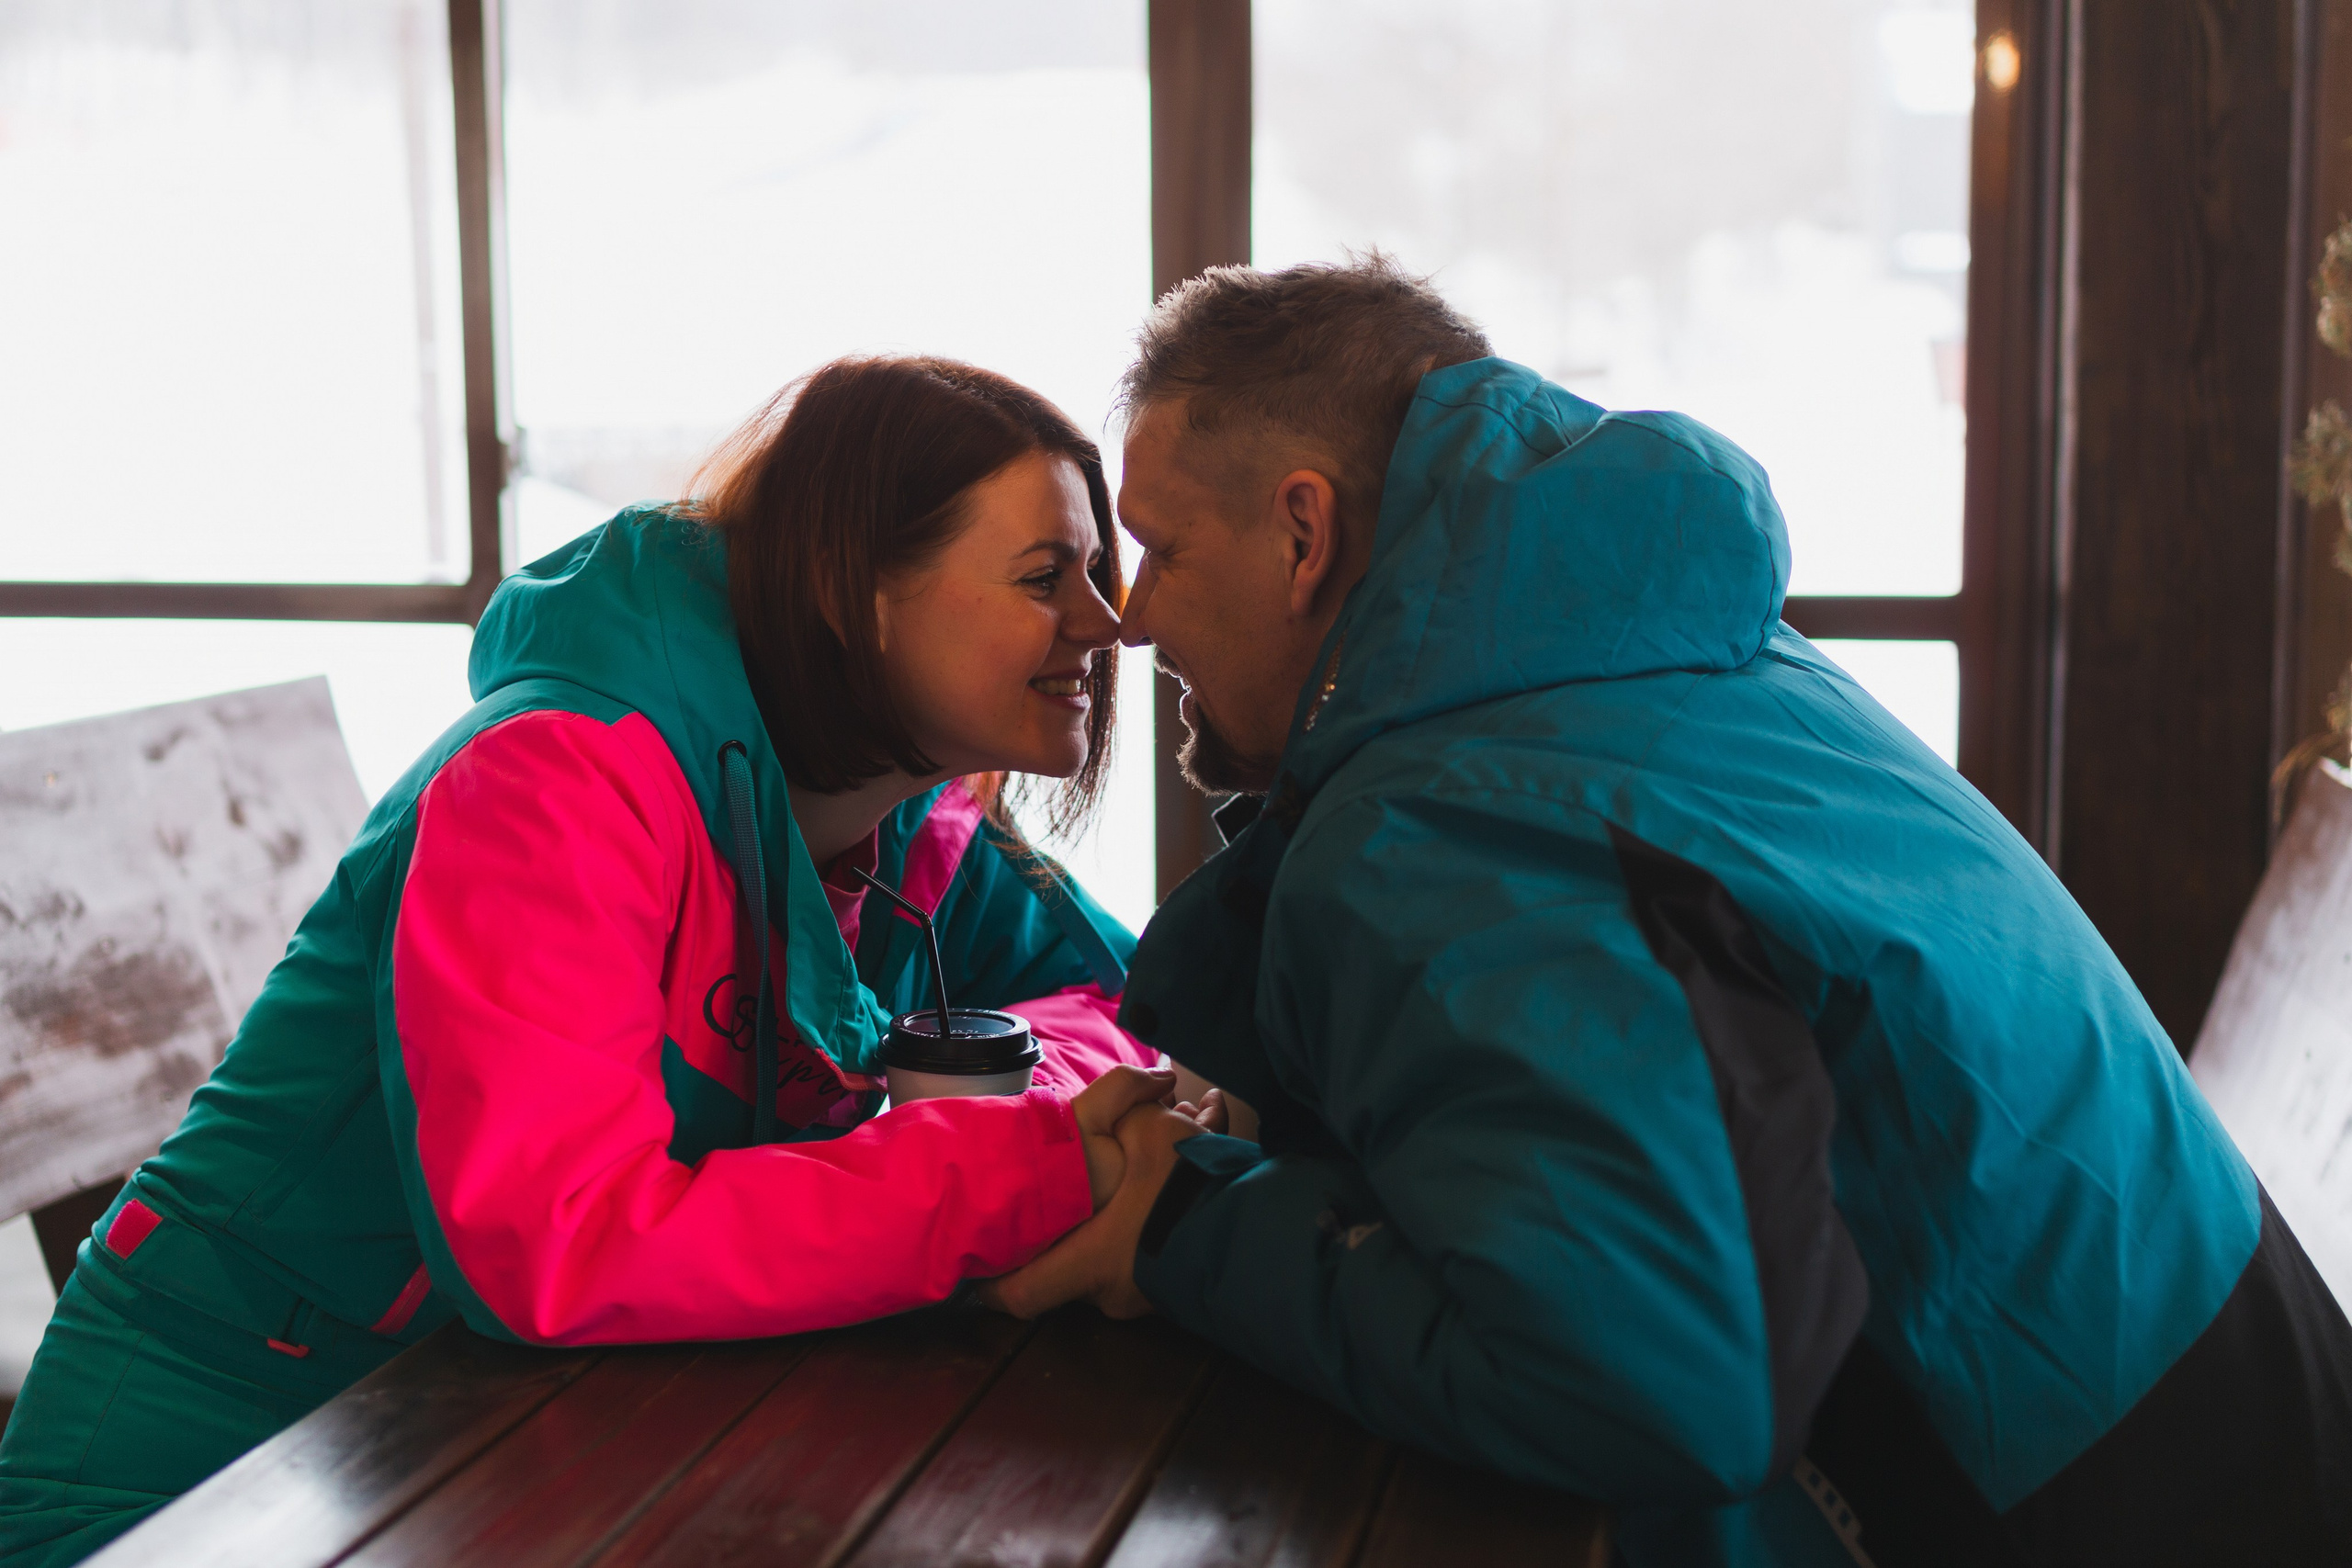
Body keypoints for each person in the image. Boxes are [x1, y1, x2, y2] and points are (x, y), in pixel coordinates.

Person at [984, 257, 2352, 1566]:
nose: (1133, 617)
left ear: (1303, 532)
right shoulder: (1630, 649)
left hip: (2084, 1513)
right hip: (2241, 1426)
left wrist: (1186, 1231)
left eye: (1159, 548)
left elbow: (1645, 1385)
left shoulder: (1432, 814)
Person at [0, 356, 1190, 1567]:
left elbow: (1146, 1008)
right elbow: (556, 1244)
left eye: (1098, 573)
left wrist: (1059, 1126)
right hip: (213, 1475)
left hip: (494, 1450)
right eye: (1050, 577)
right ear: (855, 596)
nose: (1112, 625)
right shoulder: (555, 781)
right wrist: (1016, 1173)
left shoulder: (911, 822)